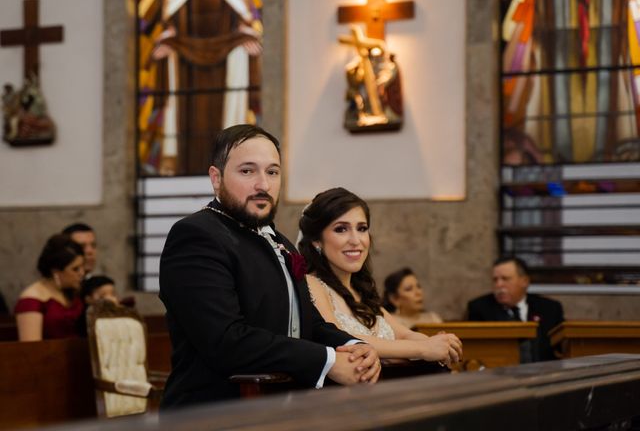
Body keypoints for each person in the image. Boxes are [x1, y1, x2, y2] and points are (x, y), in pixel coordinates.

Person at [159, 125, 381, 410]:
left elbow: (308, 323)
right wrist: (327, 361)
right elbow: (226, 342)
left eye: (272, 172)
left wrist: (354, 347)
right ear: (216, 178)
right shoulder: (195, 236)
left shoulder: (280, 242)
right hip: (213, 413)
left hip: (279, 410)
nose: (263, 185)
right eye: (248, 171)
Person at [298, 187, 462, 365]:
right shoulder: (312, 284)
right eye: (341, 229)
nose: (356, 240)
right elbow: (338, 338)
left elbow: (404, 334)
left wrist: (436, 342)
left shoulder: (362, 292)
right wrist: (424, 349)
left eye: (361, 228)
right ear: (316, 241)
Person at [467, 256, 564, 362]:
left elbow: (562, 348)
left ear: (524, 281)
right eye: (495, 280)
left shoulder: (549, 308)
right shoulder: (480, 308)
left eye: (505, 279)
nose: (499, 285)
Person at [14, 234, 85, 341]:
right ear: (56, 271)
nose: (82, 273)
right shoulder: (31, 300)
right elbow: (30, 348)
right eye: (75, 269)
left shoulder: (71, 291)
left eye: (82, 266)